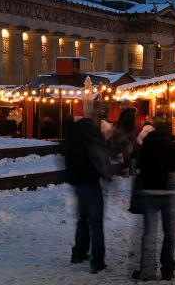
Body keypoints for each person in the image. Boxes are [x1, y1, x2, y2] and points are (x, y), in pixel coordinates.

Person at [63, 116, 112, 274]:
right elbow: (99, 159)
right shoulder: (91, 138)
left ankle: (79, 253)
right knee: (96, 223)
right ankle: (97, 261)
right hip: (91, 183)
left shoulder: (73, 137)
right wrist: (107, 175)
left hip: (77, 183)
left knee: (82, 219)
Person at [133, 119, 175, 281]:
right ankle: (167, 269)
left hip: (151, 189)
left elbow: (141, 165)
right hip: (169, 190)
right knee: (170, 233)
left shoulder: (148, 143)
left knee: (150, 233)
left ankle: (147, 270)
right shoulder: (172, 144)